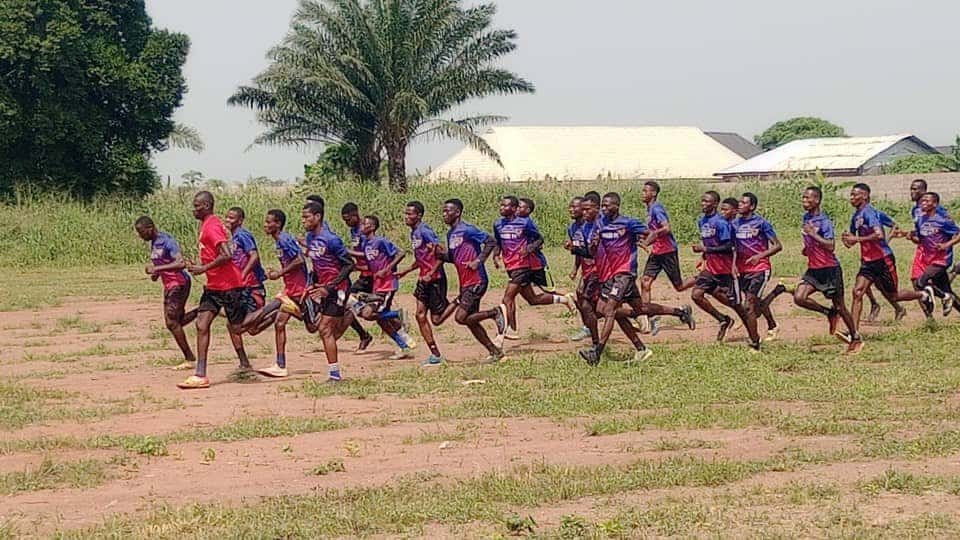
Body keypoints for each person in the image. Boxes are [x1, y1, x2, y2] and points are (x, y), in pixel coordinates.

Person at [178, 191, 281, 389]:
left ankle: (277, 304)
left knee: (239, 327)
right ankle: (200, 374)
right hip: (213, 287)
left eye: (197, 206)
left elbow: (226, 255)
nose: (194, 209)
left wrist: (203, 268)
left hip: (230, 286)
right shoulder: (207, 225)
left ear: (207, 205)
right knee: (202, 324)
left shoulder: (212, 226)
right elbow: (215, 255)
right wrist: (199, 265)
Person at [578, 192, 659, 366]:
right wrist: (593, 244)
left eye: (607, 206)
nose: (604, 209)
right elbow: (593, 252)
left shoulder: (628, 222)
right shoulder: (600, 224)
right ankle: (643, 346)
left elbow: (651, 233)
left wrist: (645, 244)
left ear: (617, 206)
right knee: (612, 309)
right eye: (603, 206)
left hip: (625, 273)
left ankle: (597, 352)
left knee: (609, 310)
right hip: (611, 275)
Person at [843, 183, 934, 335]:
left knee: (894, 296)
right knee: (857, 292)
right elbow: (850, 241)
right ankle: (853, 332)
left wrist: (857, 239)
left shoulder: (870, 213)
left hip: (883, 259)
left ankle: (922, 294)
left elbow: (879, 235)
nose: (851, 198)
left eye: (855, 195)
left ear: (865, 196)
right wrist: (847, 239)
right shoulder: (856, 216)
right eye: (851, 195)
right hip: (867, 262)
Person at [492, 196, 574, 345]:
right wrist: (496, 255)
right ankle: (564, 299)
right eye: (501, 205)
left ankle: (509, 330)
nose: (501, 208)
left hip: (522, 265)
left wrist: (528, 249)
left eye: (505, 206)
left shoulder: (524, 222)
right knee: (532, 299)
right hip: (510, 265)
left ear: (514, 208)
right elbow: (498, 242)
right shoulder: (498, 224)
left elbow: (539, 239)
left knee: (507, 298)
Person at [433, 198, 507, 363]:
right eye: (443, 211)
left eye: (448, 211)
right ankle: (495, 352)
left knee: (461, 318)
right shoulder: (450, 233)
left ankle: (494, 312)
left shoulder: (468, 229)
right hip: (465, 282)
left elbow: (491, 241)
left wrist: (478, 260)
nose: (444, 214)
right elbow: (454, 258)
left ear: (457, 212)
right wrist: (439, 255)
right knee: (471, 321)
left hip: (477, 280)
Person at [793, 186, 862, 352]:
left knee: (840, 306)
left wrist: (813, 235)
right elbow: (810, 240)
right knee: (799, 297)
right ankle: (828, 313)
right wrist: (807, 248)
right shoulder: (806, 218)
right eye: (803, 198)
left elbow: (831, 246)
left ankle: (856, 337)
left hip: (830, 269)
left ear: (817, 200)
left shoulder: (824, 222)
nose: (804, 201)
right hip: (814, 270)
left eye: (808, 198)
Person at [303, 200, 358, 382]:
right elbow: (318, 265)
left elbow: (349, 264)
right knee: (325, 330)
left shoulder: (332, 239)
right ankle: (351, 312)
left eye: (306, 217)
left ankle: (335, 376)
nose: (303, 221)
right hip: (324, 289)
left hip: (339, 288)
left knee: (324, 328)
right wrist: (313, 285)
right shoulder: (311, 239)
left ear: (317, 217)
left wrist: (330, 287)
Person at [395, 201, 455, 366]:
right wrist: (405, 271)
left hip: (435, 280)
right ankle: (435, 354)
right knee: (420, 315)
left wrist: (431, 272)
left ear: (419, 215)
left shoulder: (425, 231)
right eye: (405, 214)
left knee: (436, 320)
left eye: (410, 214)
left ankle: (458, 301)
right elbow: (421, 258)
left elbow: (440, 253)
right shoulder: (414, 233)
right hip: (423, 279)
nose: (406, 217)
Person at [349, 215, 418, 359]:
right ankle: (404, 347)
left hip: (387, 285)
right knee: (380, 320)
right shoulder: (366, 245)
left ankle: (398, 314)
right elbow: (370, 264)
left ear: (372, 227)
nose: (361, 227)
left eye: (365, 224)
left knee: (368, 314)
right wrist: (353, 267)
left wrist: (388, 269)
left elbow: (401, 253)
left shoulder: (380, 241)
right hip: (377, 285)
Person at [135, 216, 198, 370]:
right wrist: (157, 274)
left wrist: (157, 269)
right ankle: (205, 309)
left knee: (171, 322)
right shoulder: (154, 243)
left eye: (141, 232)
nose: (140, 236)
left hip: (179, 283)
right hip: (170, 284)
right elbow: (164, 262)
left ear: (150, 228)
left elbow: (180, 263)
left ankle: (189, 358)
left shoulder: (167, 241)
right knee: (178, 321)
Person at [256, 209, 312, 378]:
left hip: (301, 290)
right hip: (289, 290)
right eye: (265, 222)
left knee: (313, 326)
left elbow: (300, 260)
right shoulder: (279, 241)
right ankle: (280, 365)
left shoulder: (284, 239)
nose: (265, 225)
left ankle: (348, 310)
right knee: (279, 324)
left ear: (278, 224)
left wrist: (280, 273)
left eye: (268, 222)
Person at [895, 191, 960, 317]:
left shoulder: (943, 220)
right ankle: (947, 296)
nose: (923, 203)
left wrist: (947, 245)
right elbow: (920, 238)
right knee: (946, 289)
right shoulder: (920, 219)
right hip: (927, 258)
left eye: (927, 201)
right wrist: (909, 237)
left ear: (935, 204)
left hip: (941, 259)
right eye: (922, 201)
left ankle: (944, 296)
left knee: (920, 283)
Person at [732, 192, 783, 352]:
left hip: (760, 268)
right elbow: (733, 247)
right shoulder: (734, 224)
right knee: (754, 301)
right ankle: (773, 324)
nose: (740, 205)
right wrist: (733, 265)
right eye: (739, 202)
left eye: (744, 202)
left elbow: (777, 245)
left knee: (749, 305)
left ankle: (755, 343)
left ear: (752, 206)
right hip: (742, 270)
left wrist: (758, 256)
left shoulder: (761, 223)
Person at [688, 191, 738, 342]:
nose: (703, 204)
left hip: (724, 269)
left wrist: (706, 250)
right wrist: (703, 256)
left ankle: (754, 322)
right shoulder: (702, 221)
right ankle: (723, 319)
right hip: (710, 268)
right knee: (696, 295)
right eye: (702, 200)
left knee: (734, 302)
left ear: (715, 204)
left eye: (707, 201)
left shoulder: (721, 222)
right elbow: (711, 242)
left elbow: (729, 246)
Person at [340, 203, 376, 351]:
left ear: (356, 215)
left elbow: (370, 254)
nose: (346, 223)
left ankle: (396, 319)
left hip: (373, 275)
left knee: (374, 312)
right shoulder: (353, 231)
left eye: (348, 219)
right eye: (344, 220)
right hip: (363, 274)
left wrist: (348, 252)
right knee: (348, 304)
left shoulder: (364, 229)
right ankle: (364, 335)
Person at [564, 196, 592, 341]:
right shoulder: (572, 228)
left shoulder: (590, 225)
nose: (571, 209)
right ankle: (587, 327)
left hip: (600, 267)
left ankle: (637, 314)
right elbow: (578, 250)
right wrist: (575, 268)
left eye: (575, 207)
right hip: (587, 268)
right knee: (581, 294)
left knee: (603, 301)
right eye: (570, 206)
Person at [518, 198, 556, 294]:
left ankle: (564, 299)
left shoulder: (527, 223)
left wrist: (529, 248)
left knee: (546, 289)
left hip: (535, 261)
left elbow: (539, 239)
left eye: (520, 207)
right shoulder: (516, 222)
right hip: (523, 261)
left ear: (528, 210)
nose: (517, 209)